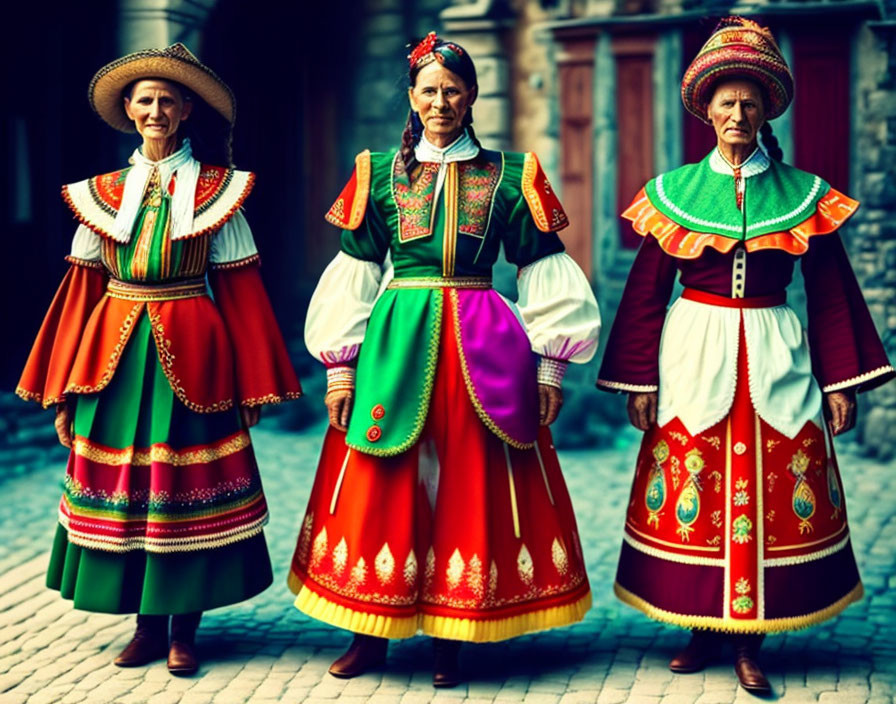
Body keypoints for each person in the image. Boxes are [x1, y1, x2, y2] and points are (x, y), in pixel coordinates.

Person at [287, 32, 600, 687]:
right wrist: (341, 367)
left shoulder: (513, 176)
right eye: (428, 89)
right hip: (397, 342)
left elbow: (544, 268)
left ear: (471, 97)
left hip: (484, 343)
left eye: (452, 90)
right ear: (411, 97)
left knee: (465, 478)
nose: (440, 101)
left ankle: (450, 640)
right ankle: (367, 630)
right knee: (385, 474)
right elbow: (355, 270)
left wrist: (550, 365)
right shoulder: (376, 172)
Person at [597, 17, 894, 695]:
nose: (739, 113)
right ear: (708, 111)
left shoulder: (802, 196)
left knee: (765, 485)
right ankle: (700, 624)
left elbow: (829, 292)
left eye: (750, 102)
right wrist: (638, 379)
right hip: (694, 348)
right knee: (693, 483)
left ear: (765, 112)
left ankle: (749, 638)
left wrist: (839, 380)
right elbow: (646, 293)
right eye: (727, 102)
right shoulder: (673, 193)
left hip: (773, 346)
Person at [17, 43, 302, 675]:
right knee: (132, 490)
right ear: (127, 109)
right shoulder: (100, 195)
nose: (156, 109)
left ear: (186, 110)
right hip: (112, 356)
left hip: (195, 356)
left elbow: (244, 295)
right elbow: (79, 294)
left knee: (182, 489)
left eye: (167, 100)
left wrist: (253, 384)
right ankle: (146, 626)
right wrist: (64, 382)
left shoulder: (218, 192)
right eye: (145, 99)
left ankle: (184, 631)